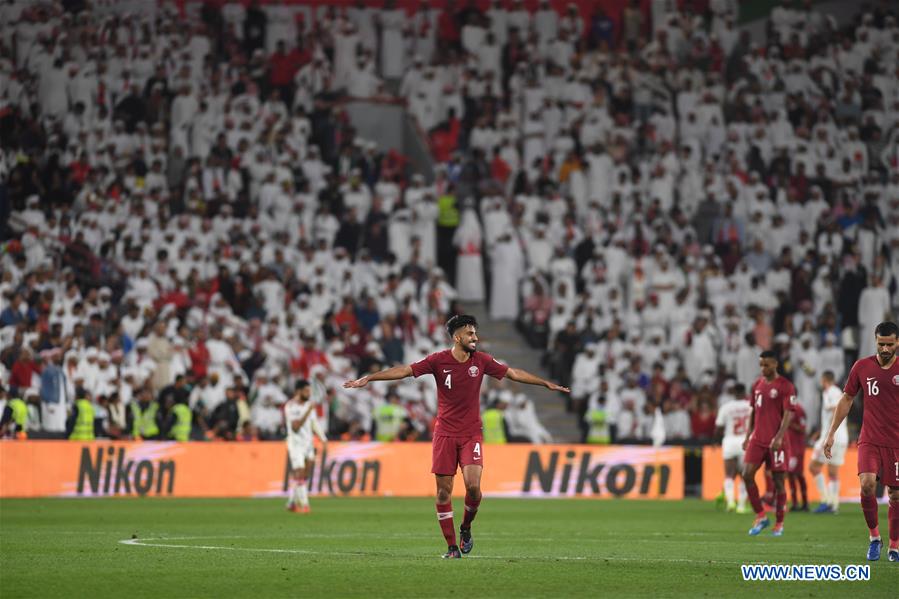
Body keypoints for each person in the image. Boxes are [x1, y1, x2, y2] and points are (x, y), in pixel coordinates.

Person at [343, 314, 569, 559]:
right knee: (443, 492)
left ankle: (466, 527)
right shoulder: (437, 360)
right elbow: (406, 370)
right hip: (445, 434)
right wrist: (370, 378)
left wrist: (545, 383)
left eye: (475, 333)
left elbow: (513, 373)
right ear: (457, 337)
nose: (475, 337)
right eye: (470, 333)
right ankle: (452, 547)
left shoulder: (481, 360)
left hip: (471, 434)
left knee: (474, 488)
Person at [822, 321, 899, 562]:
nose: (885, 349)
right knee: (866, 485)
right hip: (870, 439)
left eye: (889, 344)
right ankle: (874, 538)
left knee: (896, 495)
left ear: (897, 343)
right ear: (875, 341)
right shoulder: (862, 366)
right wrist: (831, 432)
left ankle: (894, 546)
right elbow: (847, 399)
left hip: (897, 443)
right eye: (881, 344)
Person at [742, 350, 797, 537]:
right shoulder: (757, 385)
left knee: (778, 482)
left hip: (777, 442)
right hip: (758, 439)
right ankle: (761, 516)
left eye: (766, 364)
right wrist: (748, 435)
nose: (763, 368)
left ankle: (779, 523)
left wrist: (779, 437)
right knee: (747, 474)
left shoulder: (786, 386)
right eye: (761, 365)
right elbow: (753, 411)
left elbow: (789, 414)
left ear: (775, 364)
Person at [284, 380, 327, 514]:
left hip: (308, 444)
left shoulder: (308, 405)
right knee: (300, 473)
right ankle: (305, 505)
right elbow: (295, 427)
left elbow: (314, 423)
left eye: (309, 391)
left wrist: (323, 439)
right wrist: (308, 411)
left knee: (304, 476)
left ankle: (291, 502)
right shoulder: (291, 406)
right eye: (306, 391)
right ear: (298, 391)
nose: (309, 394)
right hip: (295, 444)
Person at [809, 370, 846, 514]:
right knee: (832, 473)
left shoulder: (830, 392)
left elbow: (835, 409)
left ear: (823, 380)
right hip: (841, 437)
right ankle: (833, 505)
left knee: (813, 467)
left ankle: (826, 501)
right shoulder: (838, 392)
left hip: (831, 437)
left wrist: (827, 435)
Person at [715, 383, 751, 513]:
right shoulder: (750, 406)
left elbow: (719, 427)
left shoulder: (726, 407)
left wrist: (716, 440)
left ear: (733, 393)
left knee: (729, 474)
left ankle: (730, 503)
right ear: (745, 392)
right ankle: (741, 506)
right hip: (745, 442)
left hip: (730, 441)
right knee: (745, 475)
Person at [786, 402, 809, 512]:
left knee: (798, 474)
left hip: (797, 448)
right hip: (788, 448)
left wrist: (789, 424)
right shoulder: (785, 407)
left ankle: (805, 502)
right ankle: (795, 503)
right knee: (790, 474)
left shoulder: (798, 409)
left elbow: (803, 428)